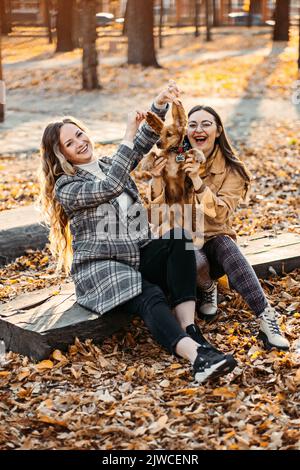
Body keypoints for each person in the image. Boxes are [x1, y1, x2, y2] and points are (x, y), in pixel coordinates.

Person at [38, 85, 236, 384]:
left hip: (133, 253)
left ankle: (190, 330)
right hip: (102, 267)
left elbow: (143, 142)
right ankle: (196, 357)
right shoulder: (67, 187)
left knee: (179, 237)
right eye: (70, 142)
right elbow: (110, 186)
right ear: (60, 154)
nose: (80, 142)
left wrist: (157, 105)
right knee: (151, 293)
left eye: (79, 134)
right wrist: (126, 137)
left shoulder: (106, 164)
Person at [148, 104, 290, 351]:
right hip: (183, 247)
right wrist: (158, 178)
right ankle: (206, 286)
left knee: (226, 243)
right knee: (188, 251)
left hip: (213, 239)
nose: (198, 129)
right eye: (192, 125)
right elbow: (155, 215)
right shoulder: (176, 158)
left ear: (218, 130)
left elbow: (220, 214)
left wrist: (197, 181)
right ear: (185, 132)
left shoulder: (232, 170)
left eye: (206, 124)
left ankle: (267, 319)